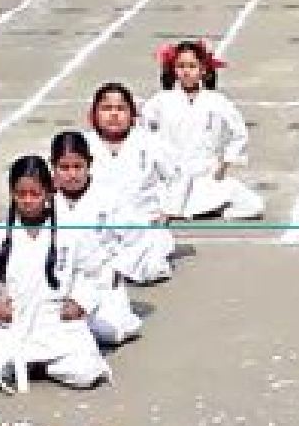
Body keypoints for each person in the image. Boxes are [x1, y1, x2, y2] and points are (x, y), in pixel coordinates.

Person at [0, 156, 110, 392]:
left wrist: (80, 302)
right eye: (21, 194)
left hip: (58, 325)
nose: (28, 201)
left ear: (49, 193)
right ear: (12, 194)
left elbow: (94, 270)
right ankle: (24, 362)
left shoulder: (71, 231)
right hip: (14, 324)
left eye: (35, 194)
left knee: (85, 374)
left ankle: (44, 365)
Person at [142, 39, 264, 220]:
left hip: (205, 175)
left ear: (203, 70)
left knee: (254, 206)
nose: (186, 71)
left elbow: (239, 133)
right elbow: (142, 131)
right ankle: (187, 209)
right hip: (170, 176)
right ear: (174, 70)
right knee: (146, 205)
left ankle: (206, 208)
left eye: (192, 66)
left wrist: (225, 163)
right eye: (181, 66)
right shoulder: (160, 101)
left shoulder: (217, 101)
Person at [50, 131, 144, 346]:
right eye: (64, 167)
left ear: (89, 164)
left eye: (78, 167)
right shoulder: (46, 202)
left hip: (100, 282)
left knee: (107, 332)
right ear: (53, 166)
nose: (72, 174)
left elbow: (137, 239)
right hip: (59, 283)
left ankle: (125, 320)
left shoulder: (109, 197)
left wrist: (116, 270)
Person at [84, 81, 178, 277]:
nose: (114, 114)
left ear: (133, 115)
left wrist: (168, 210)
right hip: (97, 227)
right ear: (94, 114)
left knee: (150, 267)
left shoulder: (150, 143)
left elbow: (178, 175)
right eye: (106, 108)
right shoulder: (83, 144)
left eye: (121, 108)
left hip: (141, 226)